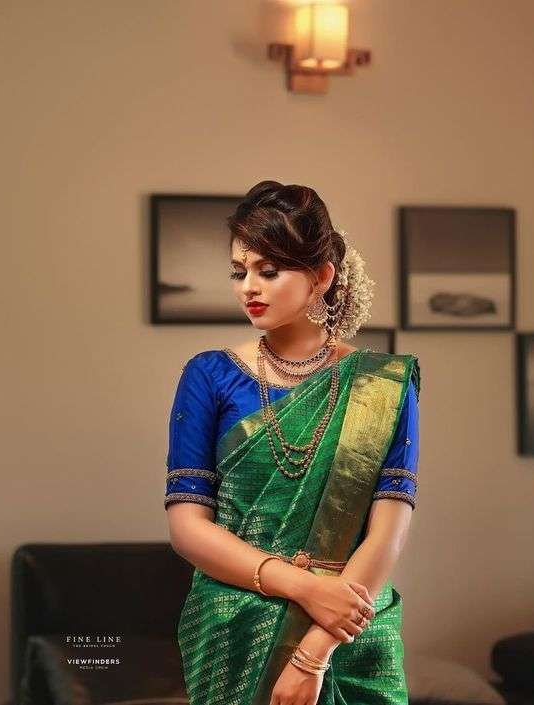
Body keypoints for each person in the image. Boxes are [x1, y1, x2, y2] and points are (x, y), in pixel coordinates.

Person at [164, 181, 421, 705]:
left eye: (268, 271)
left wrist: (313, 654)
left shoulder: (384, 383)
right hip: (235, 627)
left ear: (321, 276)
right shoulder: (210, 376)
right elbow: (188, 528)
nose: (248, 288)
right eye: (239, 272)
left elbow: (388, 534)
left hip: (350, 626)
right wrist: (306, 587)